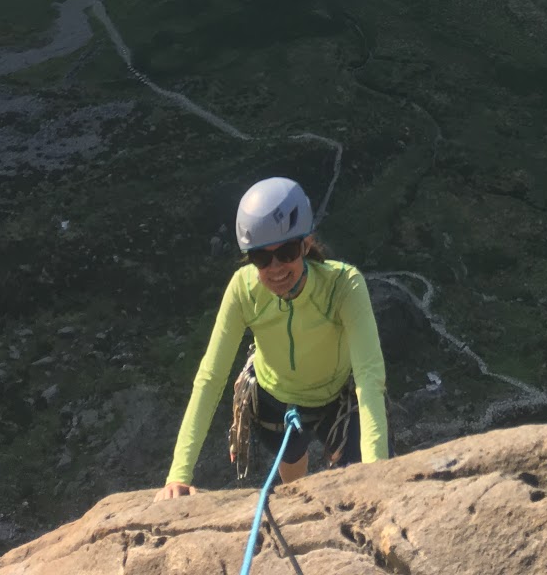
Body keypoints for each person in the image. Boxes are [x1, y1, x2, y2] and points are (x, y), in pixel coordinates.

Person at [156, 176, 389, 497]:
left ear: (306, 245)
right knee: (293, 468)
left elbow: (369, 375)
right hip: (273, 402)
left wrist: (377, 469)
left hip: (335, 399)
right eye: (261, 258)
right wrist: (178, 475)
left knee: (357, 480)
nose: (275, 267)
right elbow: (210, 377)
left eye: (288, 252)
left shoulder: (343, 286)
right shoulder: (243, 289)